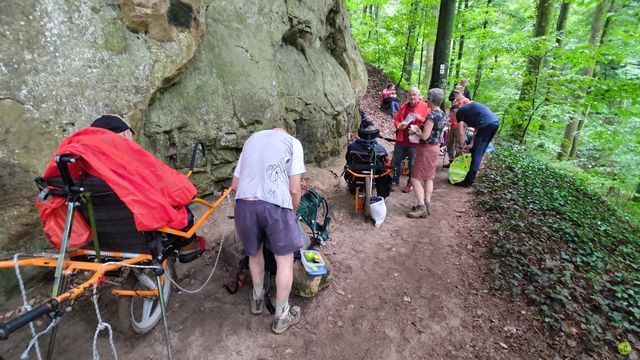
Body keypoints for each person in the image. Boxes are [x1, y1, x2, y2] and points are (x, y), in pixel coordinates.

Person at [231, 128, 305, 334]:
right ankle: (282, 315)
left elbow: (235, 185)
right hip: (275, 205)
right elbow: (294, 189)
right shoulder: (292, 142)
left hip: (244, 203)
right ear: (285, 133)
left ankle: (257, 299)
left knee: (254, 253)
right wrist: (292, 212)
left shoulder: (251, 141)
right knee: (284, 260)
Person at [406, 88, 446, 218]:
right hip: (435, 148)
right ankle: (427, 204)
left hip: (426, 149)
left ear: (432, 100)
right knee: (429, 177)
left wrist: (414, 132)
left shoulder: (432, 115)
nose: (426, 100)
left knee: (415, 178)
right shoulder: (442, 114)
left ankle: (421, 206)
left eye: (427, 98)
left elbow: (424, 136)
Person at [392, 87, 430, 193]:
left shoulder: (425, 106)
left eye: (414, 95)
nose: (412, 97)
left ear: (419, 96)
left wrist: (419, 118)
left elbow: (429, 122)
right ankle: (395, 180)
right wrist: (399, 125)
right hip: (402, 138)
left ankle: (410, 183)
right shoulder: (404, 106)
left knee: (413, 163)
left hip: (415, 140)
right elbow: (396, 120)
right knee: (396, 160)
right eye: (410, 95)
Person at [452, 102, 499, 186]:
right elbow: (476, 131)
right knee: (478, 151)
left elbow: (461, 133)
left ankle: (468, 181)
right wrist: (471, 144)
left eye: (452, 115)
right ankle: (471, 177)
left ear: (454, 111)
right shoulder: (470, 112)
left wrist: (461, 146)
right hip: (494, 122)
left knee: (477, 154)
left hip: (486, 124)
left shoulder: (460, 112)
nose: (453, 117)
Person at [345, 125, 392, 198]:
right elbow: (386, 160)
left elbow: (347, 158)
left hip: (356, 170)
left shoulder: (352, 146)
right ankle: (381, 195)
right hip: (374, 172)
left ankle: (351, 187)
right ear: (374, 136)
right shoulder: (381, 149)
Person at [444, 86, 471, 167]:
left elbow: (469, 114)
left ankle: (456, 163)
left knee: (458, 145)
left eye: (457, 92)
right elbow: (451, 112)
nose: (455, 94)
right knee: (449, 144)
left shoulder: (466, 101)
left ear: (462, 92)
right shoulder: (454, 101)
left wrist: (466, 125)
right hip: (452, 125)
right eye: (454, 92)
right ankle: (451, 161)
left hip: (461, 126)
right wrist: (449, 120)